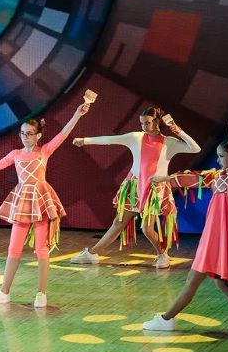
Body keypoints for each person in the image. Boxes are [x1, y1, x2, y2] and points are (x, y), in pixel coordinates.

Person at [0, 94, 93, 308]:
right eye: (22, 133)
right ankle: (4, 292)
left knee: (42, 249)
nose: (25, 137)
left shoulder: (44, 151)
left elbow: (64, 133)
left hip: (40, 199)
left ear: (38, 135)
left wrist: (77, 114)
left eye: (29, 134)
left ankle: (41, 294)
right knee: (14, 248)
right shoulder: (15, 154)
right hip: (22, 202)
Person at [143, 91, 228, 335]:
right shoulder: (217, 177)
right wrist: (165, 178)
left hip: (220, 237)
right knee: (222, 283)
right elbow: (192, 178)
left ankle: (166, 319)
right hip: (215, 236)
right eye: (217, 157)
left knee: (193, 281)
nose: (218, 161)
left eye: (222, 157)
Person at [69, 107, 200, 268]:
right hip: (134, 186)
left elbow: (195, 148)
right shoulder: (135, 137)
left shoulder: (169, 142)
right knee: (118, 222)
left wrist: (178, 131)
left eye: (148, 123)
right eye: (142, 123)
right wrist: (85, 140)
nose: (144, 126)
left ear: (157, 122)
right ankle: (92, 253)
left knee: (146, 228)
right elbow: (110, 139)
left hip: (154, 189)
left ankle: (162, 254)